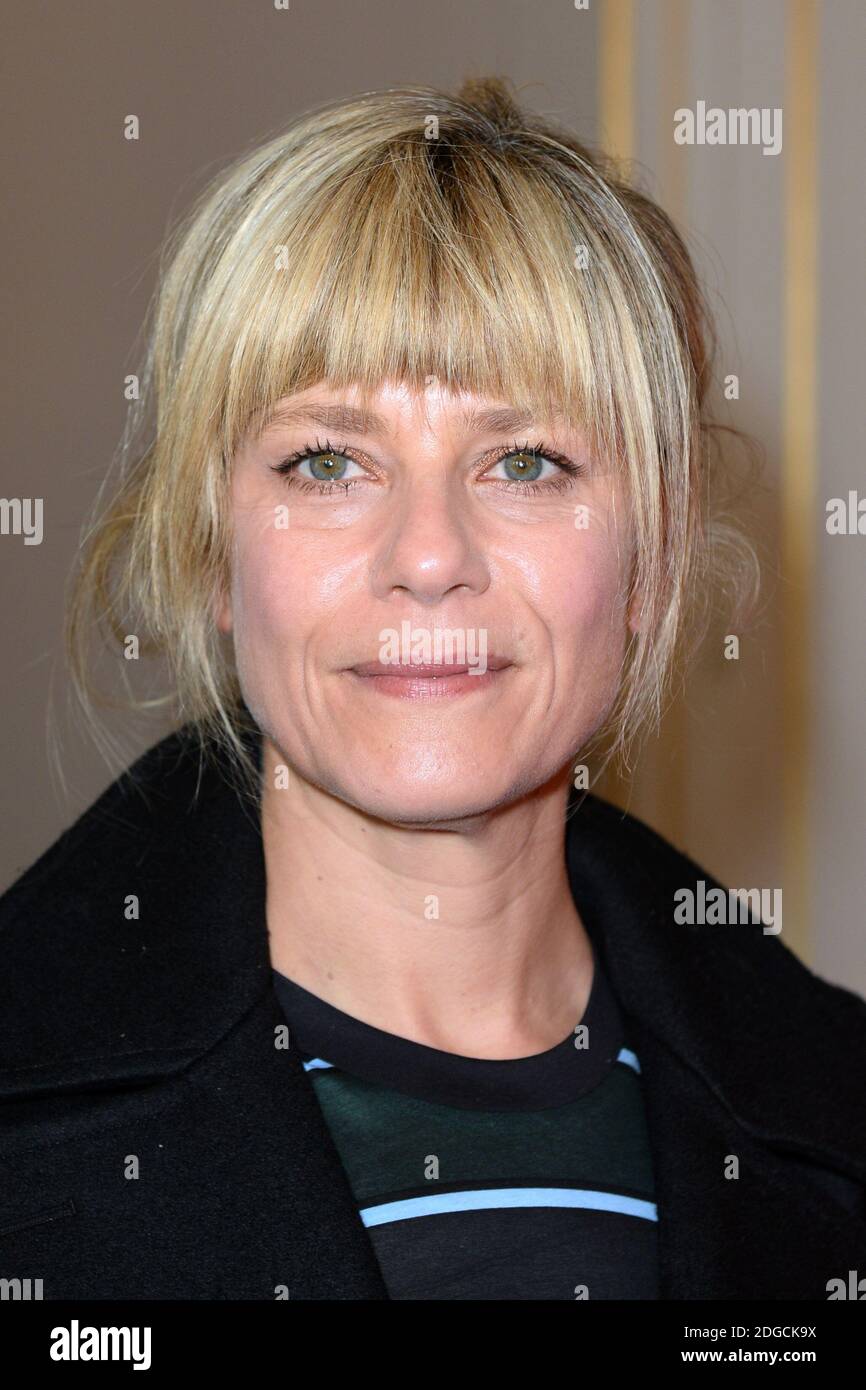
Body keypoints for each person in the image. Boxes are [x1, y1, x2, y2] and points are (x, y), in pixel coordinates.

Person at [1, 76, 864, 1302]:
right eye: (325, 461)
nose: (426, 556)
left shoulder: (829, 1115)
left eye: (524, 461)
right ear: (210, 556)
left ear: (652, 561)